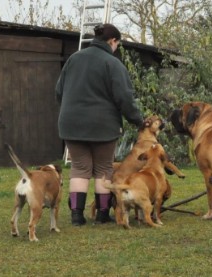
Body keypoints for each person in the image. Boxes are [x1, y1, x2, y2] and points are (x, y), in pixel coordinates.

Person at [55, 23, 144, 226]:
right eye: (117, 45)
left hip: (70, 124)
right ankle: (102, 214)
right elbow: (124, 98)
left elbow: (59, 91)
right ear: (113, 41)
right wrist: (138, 120)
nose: (116, 49)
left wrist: (72, 111)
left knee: (79, 167)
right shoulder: (113, 65)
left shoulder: (74, 59)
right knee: (104, 168)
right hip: (102, 125)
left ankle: (77, 216)